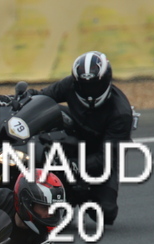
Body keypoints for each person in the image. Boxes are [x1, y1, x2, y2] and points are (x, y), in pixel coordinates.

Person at [25, 51, 133, 225]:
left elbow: (105, 159)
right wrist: (19, 99)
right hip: (76, 135)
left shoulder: (121, 114)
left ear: (106, 81)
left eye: (95, 86)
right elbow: (41, 97)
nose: (90, 91)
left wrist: (72, 165)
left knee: (105, 212)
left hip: (101, 152)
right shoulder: (69, 85)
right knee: (49, 112)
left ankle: (75, 196)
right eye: (84, 85)